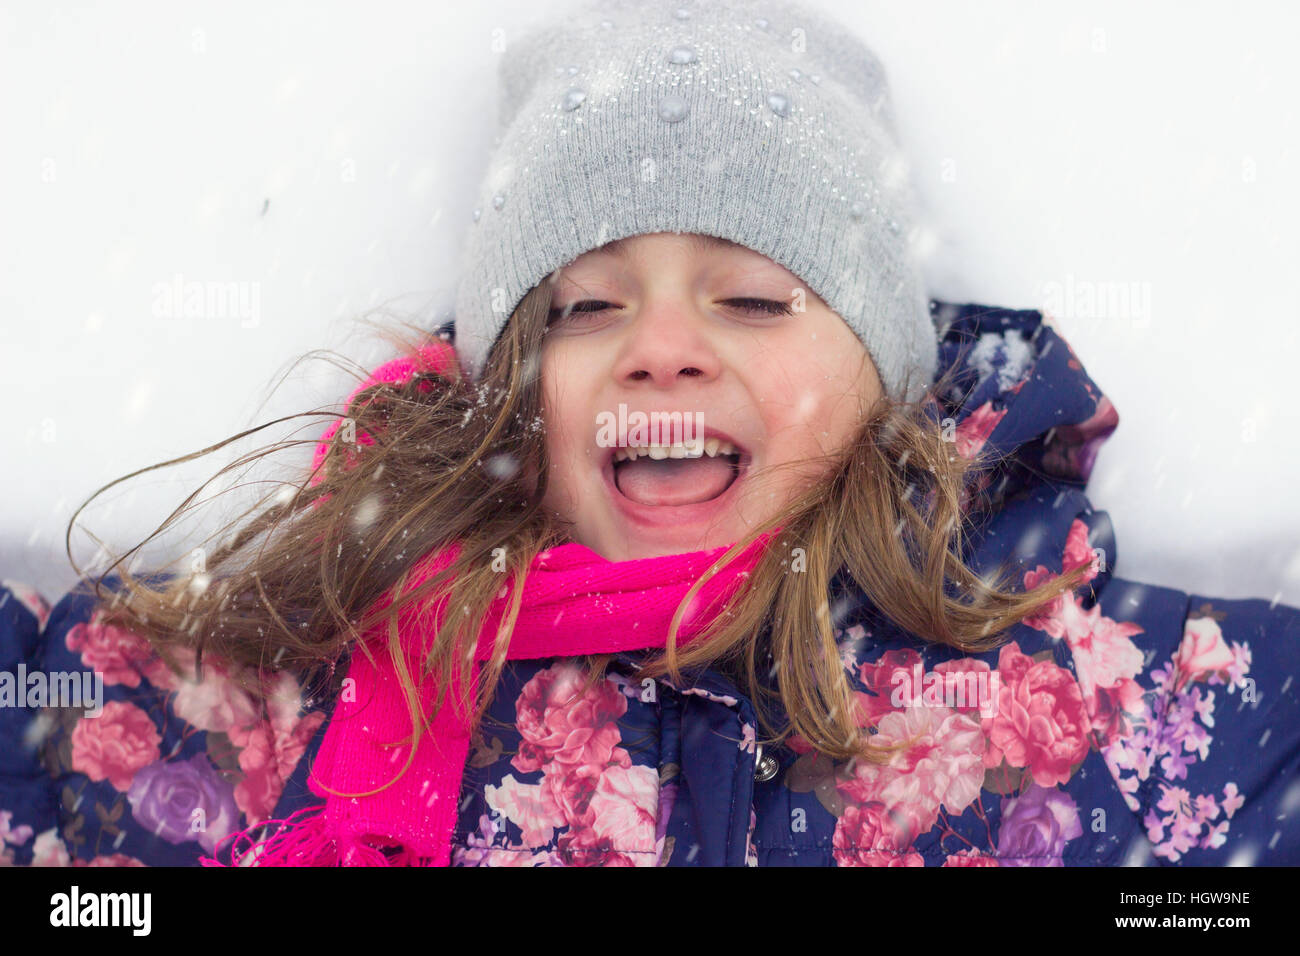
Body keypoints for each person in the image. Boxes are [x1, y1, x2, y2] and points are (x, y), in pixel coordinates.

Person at [2, 0, 1297, 867]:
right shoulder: (324, 678)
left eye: (749, 297)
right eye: (585, 306)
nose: (662, 343)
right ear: (518, 397)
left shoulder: (1090, 688)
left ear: (885, 383)